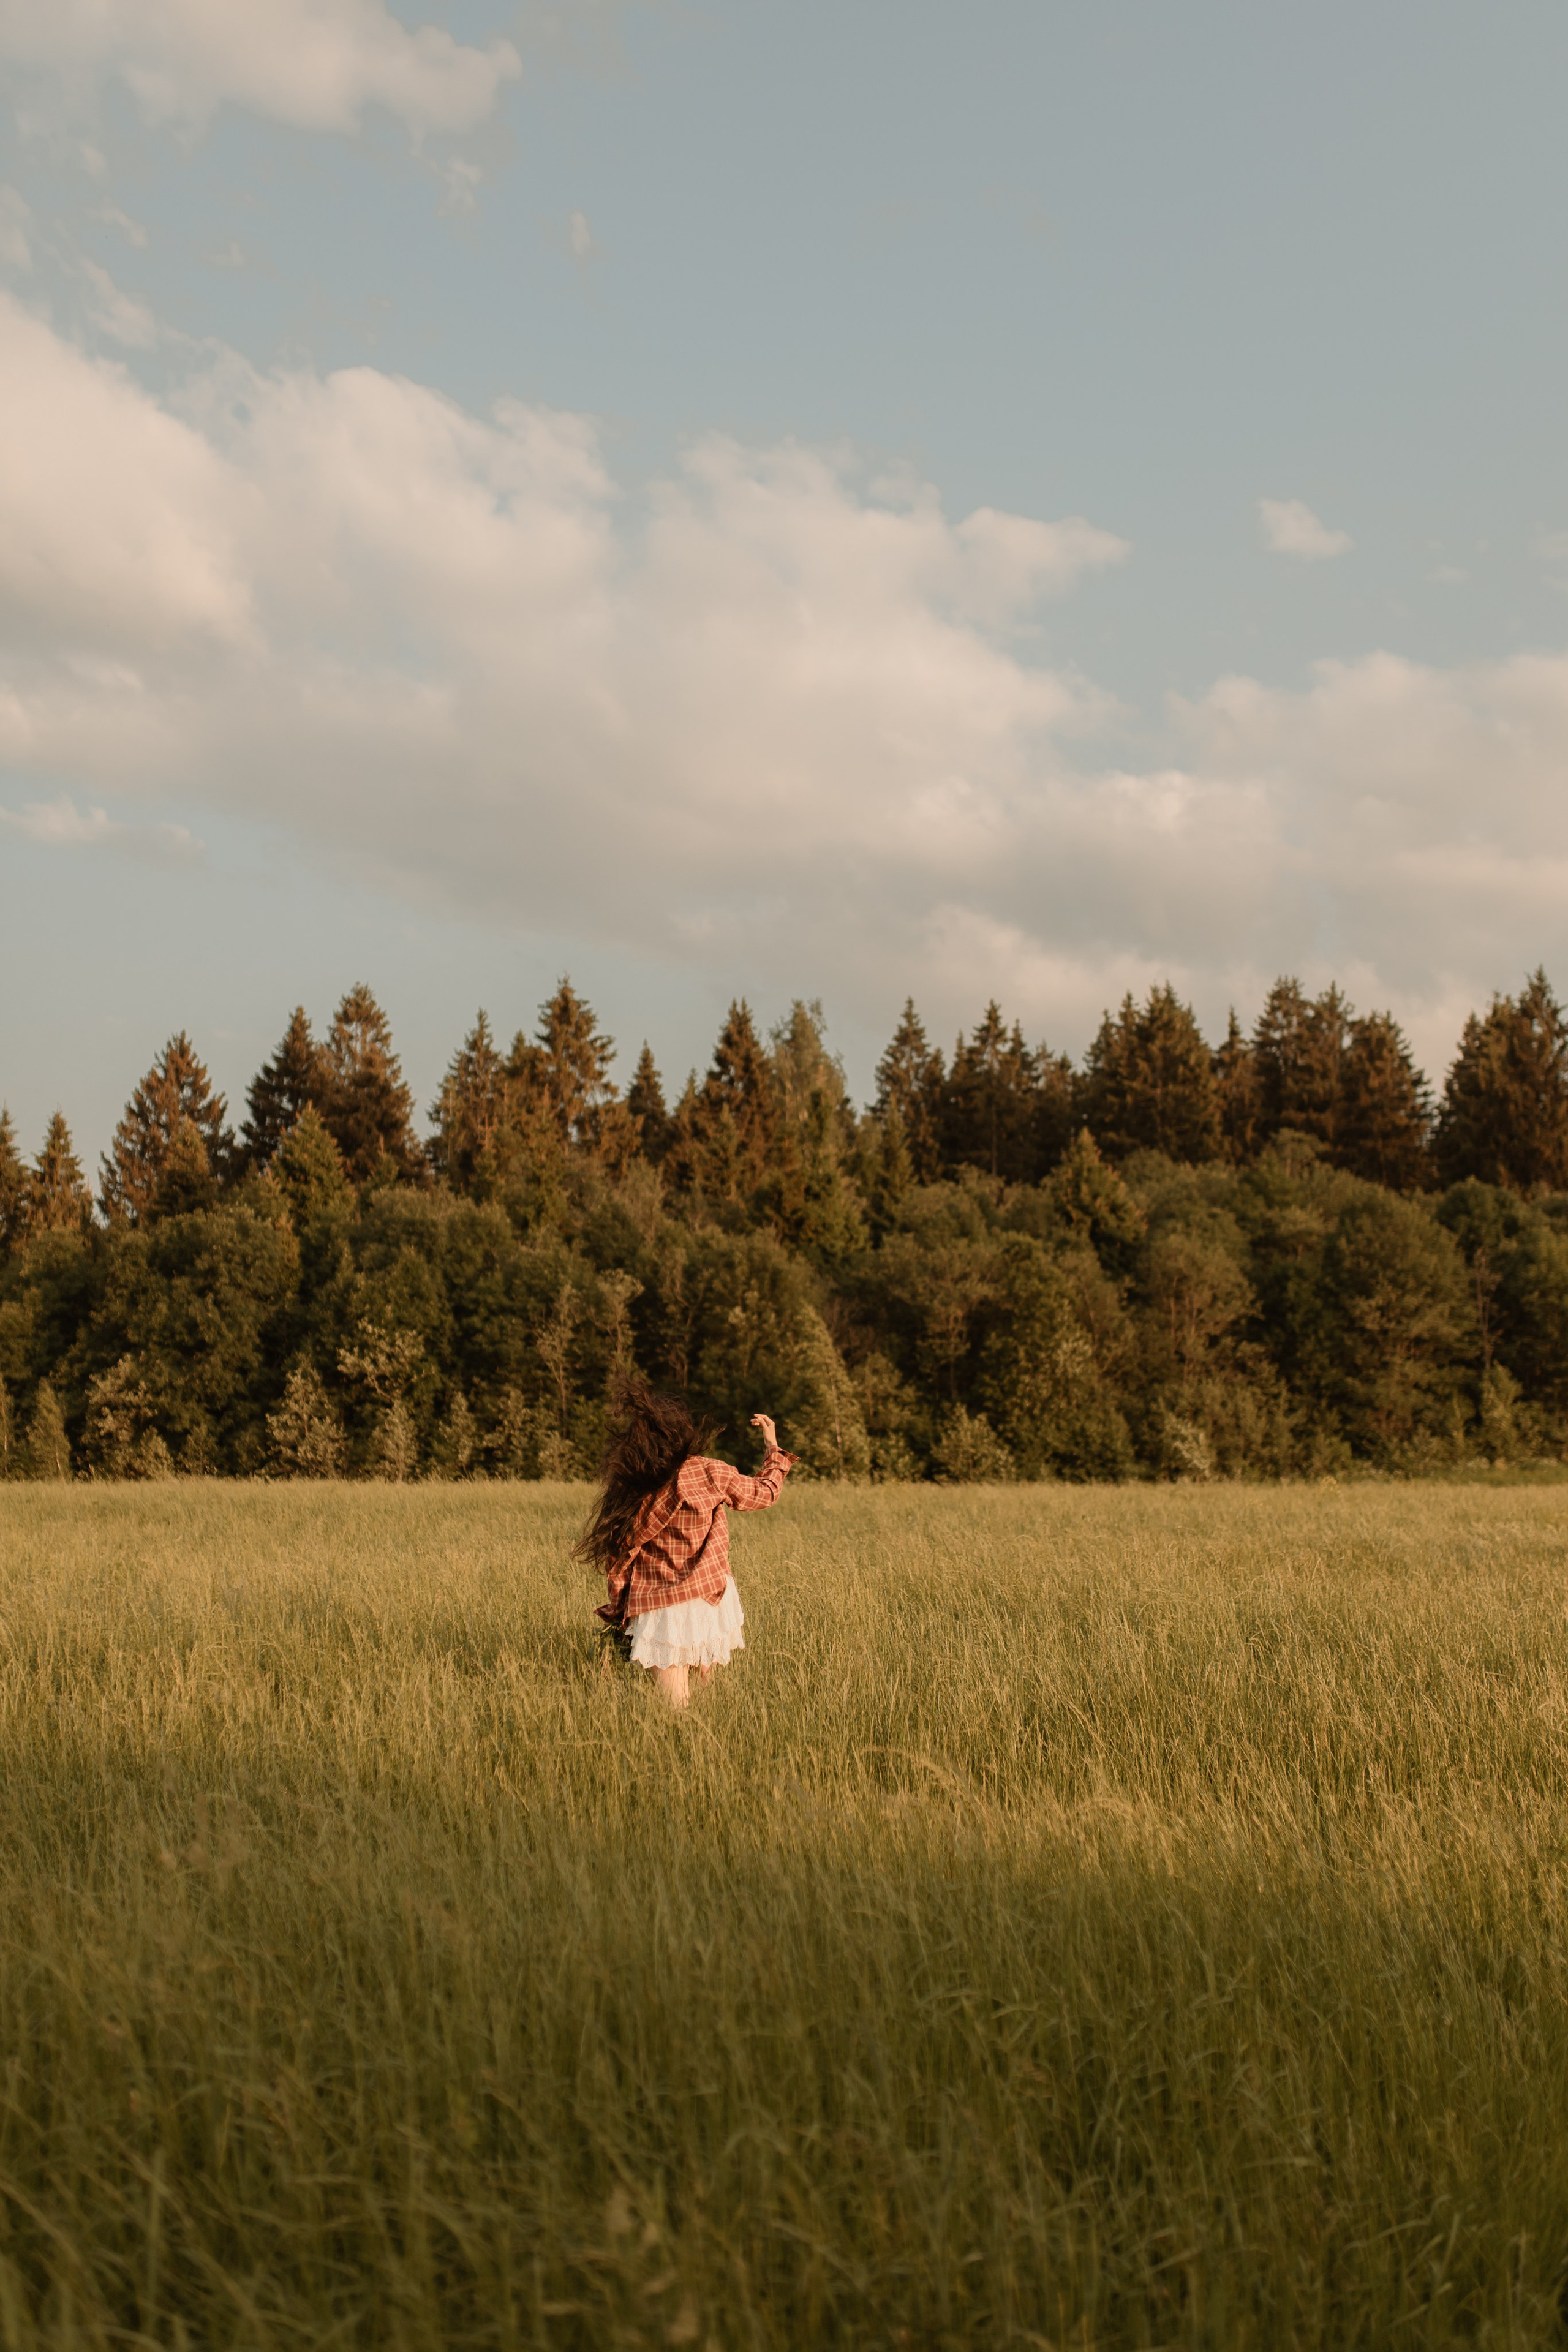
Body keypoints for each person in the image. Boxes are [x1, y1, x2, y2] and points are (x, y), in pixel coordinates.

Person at [578, 1378, 796, 1708]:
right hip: (709, 1598)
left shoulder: (638, 1488)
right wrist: (772, 1447)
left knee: (674, 1709)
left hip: (659, 1607)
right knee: (706, 1705)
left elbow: (621, 1559)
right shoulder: (709, 1471)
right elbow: (765, 1493)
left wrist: (620, 1609)